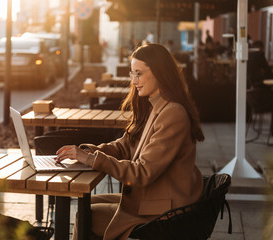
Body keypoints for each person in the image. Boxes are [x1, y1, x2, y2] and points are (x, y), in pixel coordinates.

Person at [56, 44, 205, 240]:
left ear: (160, 73)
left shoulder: (173, 113)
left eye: (139, 74)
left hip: (166, 210)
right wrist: (87, 154)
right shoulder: (155, 106)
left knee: (86, 214)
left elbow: (143, 173)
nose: (133, 81)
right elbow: (125, 145)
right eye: (132, 74)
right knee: (87, 203)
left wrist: (93, 160)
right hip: (153, 199)